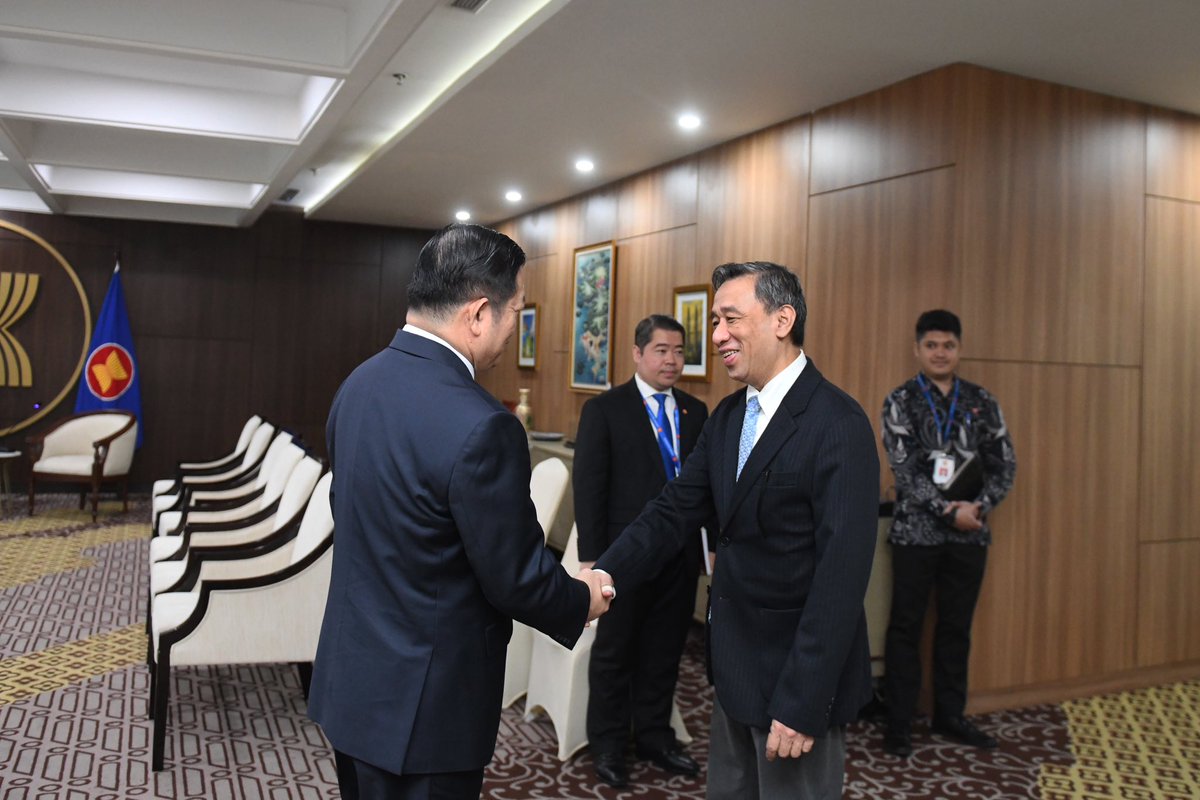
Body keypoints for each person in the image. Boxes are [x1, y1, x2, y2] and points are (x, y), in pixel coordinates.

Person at [308, 223, 614, 800]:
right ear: (478, 314)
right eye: (516, 311)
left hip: (354, 684)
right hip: (427, 708)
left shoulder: (359, 384)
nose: (513, 327)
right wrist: (582, 598)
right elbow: (515, 577)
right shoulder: (482, 424)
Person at [594, 261, 880, 800]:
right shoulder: (728, 417)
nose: (717, 335)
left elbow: (841, 580)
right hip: (734, 673)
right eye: (716, 321)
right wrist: (605, 572)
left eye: (730, 319)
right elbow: (673, 510)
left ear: (782, 319)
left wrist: (802, 702)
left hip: (796, 686)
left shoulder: (837, 423)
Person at [574, 314, 711, 788]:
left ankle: (654, 736)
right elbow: (589, 487)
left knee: (664, 651)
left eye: (678, 351)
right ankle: (609, 744)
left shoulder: (696, 412)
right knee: (615, 653)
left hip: (678, 557)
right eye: (660, 350)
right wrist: (592, 559)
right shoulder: (606, 410)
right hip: (622, 557)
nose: (671, 360)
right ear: (637, 354)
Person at [880, 309, 1016, 758]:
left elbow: (1004, 463)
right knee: (905, 627)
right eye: (932, 345)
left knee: (956, 628)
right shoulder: (900, 400)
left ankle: (950, 715)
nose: (941, 353)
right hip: (916, 536)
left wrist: (979, 507)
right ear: (918, 349)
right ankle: (898, 723)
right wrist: (945, 509)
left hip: (969, 536)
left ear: (959, 349)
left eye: (949, 345)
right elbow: (904, 468)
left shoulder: (981, 400)